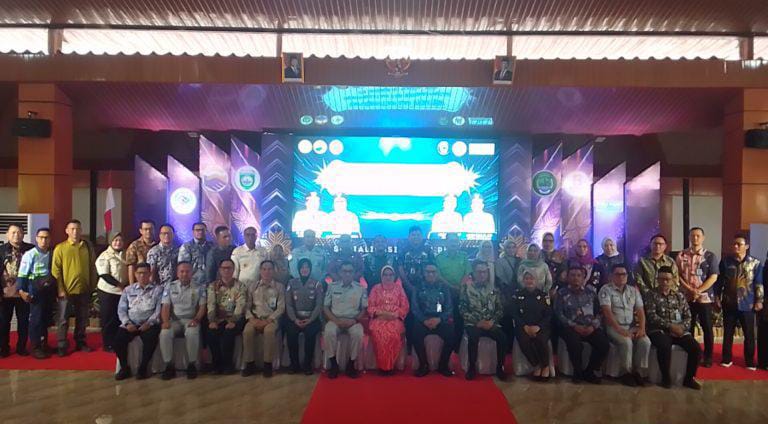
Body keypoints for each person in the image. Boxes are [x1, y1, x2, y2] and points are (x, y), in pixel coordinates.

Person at [645, 266, 702, 389]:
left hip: (679, 331)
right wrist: (671, 327)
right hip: (659, 330)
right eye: (662, 279)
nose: (665, 282)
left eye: (668, 279)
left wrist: (682, 328)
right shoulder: (651, 295)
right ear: (657, 280)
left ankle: (689, 379)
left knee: (696, 348)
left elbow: (688, 316)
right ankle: (666, 378)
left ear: (672, 280)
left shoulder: (679, 296)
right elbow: (652, 316)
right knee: (664, 346)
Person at [554, 266, 610, 384]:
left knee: (604, 344)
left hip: (589, 326)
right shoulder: (561, 293)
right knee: (575, 343)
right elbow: (559, 314)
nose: (576, 278)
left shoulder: (591, 292)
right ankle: (577, 372)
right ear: (567, 278)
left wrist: (593, 326)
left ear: (583, 278)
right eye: (572, 275)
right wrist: (574, 326)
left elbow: (599, 312)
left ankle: (589, 371)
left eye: (579, 275)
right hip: (570, 327)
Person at [599, 264, 650, 386]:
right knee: (626, 342)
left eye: (624, 274)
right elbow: (607, 313)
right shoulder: (606, 290)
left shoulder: (633, 291)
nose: (621, 277)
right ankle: (626, 373)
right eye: (618, 274)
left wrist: (642, 328)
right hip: (613, 327)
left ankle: (638, 372)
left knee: (645, 342)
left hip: (631, 326)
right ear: (611, 276)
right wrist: (620, 330)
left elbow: (640, 311)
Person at [717, 233, 763, 370]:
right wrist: (716, 297)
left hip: (747, 303)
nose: (736, 246)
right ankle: (726, 359)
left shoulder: (755, 263)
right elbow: (720, 281)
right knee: (728, 333)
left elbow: (758, 283)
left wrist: (759, 300)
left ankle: (749, 361)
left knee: (749, 334)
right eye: (734, 244)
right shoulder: (726, 262)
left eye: (739, 244)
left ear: (746, 246)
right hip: (729, 302)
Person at [52, 219, 96, 357]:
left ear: (81, 230)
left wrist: (92, 286)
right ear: (67, 231)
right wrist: (60, 289)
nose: (75, 232)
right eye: (72, 229)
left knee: (82, 318)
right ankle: (62, 344)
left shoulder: (87, 247)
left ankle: (80, 341)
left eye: (78, 229)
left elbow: (92, 267)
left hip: (84, 289)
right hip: (66, 291)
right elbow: (56, 270)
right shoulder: (60, 248)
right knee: (63, 319)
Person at [675, 227, 718, 368]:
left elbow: (713, 277)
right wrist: (690, 290)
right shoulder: (681, 255)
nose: (695, 238)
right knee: (688, 326)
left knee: (707, 327)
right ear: (689, 237)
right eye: (693, 235)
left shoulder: (710, 256)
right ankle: (691, 354)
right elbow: (677, 275)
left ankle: (708, 357)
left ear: (703, 238)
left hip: (704, 298)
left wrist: (698, 291)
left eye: (698, 236)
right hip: (686, 297)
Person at [113, 263, 163, 380]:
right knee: (117, 341)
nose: (142, 275)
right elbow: (121, 309)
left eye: (145, 273)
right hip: (130, 323)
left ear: (150, 274)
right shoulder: (128, 290)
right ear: (135, 274)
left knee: (151, 339)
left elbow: (158, 311)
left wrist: (149, 323)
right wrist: (127, 323)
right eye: (139, 273)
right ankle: (124, 368)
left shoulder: (158, 290)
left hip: (149, 324)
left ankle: (143, 368)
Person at [460, 260, 507, 381]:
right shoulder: (466, 288)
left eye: (484, 272)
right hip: (473, 323)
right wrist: (477, 322)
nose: (481, 275)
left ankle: (500, 367)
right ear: (474, 273)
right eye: (479, 272)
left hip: (490, 322)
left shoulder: (494, 289)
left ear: (487, 273)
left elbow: (500, 309)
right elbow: (462, 309)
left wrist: (492, 321)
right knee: (473, 337)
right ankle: (471, 367)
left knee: (502, 338)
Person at [159, 261, 206, 380]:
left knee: (192, 332)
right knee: (165, 333)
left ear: (192, 273)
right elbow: (165, 306)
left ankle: (192, 365)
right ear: (177, 273)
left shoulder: (199, 287)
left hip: (191, 319)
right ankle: (169, 365)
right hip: (174, 320)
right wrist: (165, 321)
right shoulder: (170, 286)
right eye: (182, 271)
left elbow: (202, 307)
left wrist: (196, 320)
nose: (185, 274)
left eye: (187, 271)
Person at [323, 261, 367, 379]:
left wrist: (354, 320)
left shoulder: (360, 288)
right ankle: (333, 364)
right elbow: (326, 307)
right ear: (339, 273)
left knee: (358, 334)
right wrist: (336, 321)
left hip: (353, 321)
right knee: (329, 332)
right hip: (335, 319)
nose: (347, 274)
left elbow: (364, 309)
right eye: (344, 271)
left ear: (354, 273)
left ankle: (351, 364)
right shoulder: (332, 286)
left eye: (350, 271)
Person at [242, 260, 285, 378]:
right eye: (264, 269)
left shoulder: (279, 287)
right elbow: (246, 306)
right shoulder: (253, 286)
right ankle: (249, 364)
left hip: (271, 319)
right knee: (247, 331)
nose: (267, 272)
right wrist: (251, 319)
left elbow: (281, 307)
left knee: (269, 332)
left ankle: (268, 364)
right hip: (255, 318)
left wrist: (269, 319)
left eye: (270, 269)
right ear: (260, 271)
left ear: (274, 271)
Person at [411, 262, 455, 377]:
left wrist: (439, 319)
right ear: (424, 273)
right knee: (415, 334)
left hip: (440, 319)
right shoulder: (418, 287)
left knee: (451, 335)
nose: (431, 274)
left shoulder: (444, 287)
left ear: (437, 273)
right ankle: (423, 365)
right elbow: (415, 308)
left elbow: (449, 308)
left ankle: (443, 365)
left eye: (433, 272)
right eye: (428, 272)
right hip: (423, 320)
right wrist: (424, 320)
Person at [17, 228, 54, 359]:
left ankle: (44, 344)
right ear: (37, 239)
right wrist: (22, 291)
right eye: (41, 237)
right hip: (35, 290)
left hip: (48, 290)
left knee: (45, 319)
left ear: (50, 239)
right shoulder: (30, 254)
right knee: (36, 320)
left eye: (46, 238)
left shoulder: (52, 253)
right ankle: (35, 347)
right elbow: (22, 274)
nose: (44, 240)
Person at [206, 259, 246, 374]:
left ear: (233, 270)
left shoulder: (240, 286)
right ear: (220, 270)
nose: (226, 270)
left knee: (228, 333)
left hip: (235, 318)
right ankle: (216, 365)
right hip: (218, 319)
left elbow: (240, 305)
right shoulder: (213, 286)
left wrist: (233, 320)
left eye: (229, 268)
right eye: (224, 268)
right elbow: (211, 304)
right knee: (211, 333)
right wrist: (212, 320)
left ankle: (228, 365)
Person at [284, 258, 324, 375]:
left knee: (310, 334)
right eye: (302, 267)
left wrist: (310, 320)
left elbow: (319, 305)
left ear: (310, 269)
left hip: (311, 318)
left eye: (307, 267)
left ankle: (307, 365)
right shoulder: (291, 283)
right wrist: (294, 319)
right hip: (295, 318)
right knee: (291, 333)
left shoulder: (317, 284)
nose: (304, 269)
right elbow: (289, 304)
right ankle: (294, 365)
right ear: (298, 269)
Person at [368, 265, 409, 375]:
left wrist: (395, 314)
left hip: (395, 319)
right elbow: (370, 306)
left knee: (393, 335)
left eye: (390, 275)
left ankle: (390, 365)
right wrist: (381, 313)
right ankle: (382, 366)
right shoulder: (375, 289)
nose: (388, 277)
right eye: (385, 275)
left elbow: (405, 306)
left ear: (394, 276)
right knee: (379, 334)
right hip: (379, 319)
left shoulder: (399, 289)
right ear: (381, 276)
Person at [0, 223, 34, 356]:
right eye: (13, 232)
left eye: (19, 232)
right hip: (5, 294)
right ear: (7, 235)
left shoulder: (31, 250)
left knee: (23, 322)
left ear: (23, 234)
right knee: (3, 322)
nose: (16, 235)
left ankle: (21, 347)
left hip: (23, 293)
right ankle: (4, 348)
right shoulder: (1, 250)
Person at [512, 271, 553, 381]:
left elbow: (548, 315)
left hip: (541, 327)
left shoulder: (544, 296)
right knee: (523, 340)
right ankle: (537, 364)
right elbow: (514, 314)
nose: (529, 281)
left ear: (536, 281)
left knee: (541, 340)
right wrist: (524, 326)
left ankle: (545, 366)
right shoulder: (517, 295)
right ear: (523, 280)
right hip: (523, 327)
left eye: (532, 278)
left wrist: (539, 327)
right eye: (527, 278)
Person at [436, 233, 472, 344]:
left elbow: (467, 273)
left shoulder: (464, 256)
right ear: (446, 243)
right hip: (443, 294)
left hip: (461, 292)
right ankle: (444, 344)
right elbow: (438, 276)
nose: (454, 243)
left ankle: (457, 346)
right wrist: (451, 287)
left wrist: (459, 287)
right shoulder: (439, 258)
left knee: (459, 319)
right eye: (451, 241)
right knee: (443, 317)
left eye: (456, 241)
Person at [95, 233, 128, 353]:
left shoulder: (126, 253)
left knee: (119, 318)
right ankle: (107, 344)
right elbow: (104, 275)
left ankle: (117, 342)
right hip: (108, 292)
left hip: (122, 292)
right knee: (108, 318)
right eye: (115, 240)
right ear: (111, 242)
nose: (118, 243)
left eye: (120, 240)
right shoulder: (104, 255)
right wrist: (119, 285)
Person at [634, 234, 679, 298]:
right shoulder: (642, 261)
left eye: (660, 244)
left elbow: (675, 279)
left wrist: (668, 293)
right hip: (647, 296)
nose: (657, 246)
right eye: (655, 244)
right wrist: (648, 293)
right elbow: (638, 279)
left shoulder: (670, 262)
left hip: (667, 297)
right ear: (650, 245)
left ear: (665, 246)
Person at [177, 222, 214, 287]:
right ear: (193, 232)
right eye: (197, 230)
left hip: (210, 282)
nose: (200, 232)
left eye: (202, 230)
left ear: (206, 231)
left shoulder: (212, 246)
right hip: (192, 283)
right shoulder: (186, 247)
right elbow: (183, 267)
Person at [126, 220, 156, 284]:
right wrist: (132, 286)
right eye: (145, 229)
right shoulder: (134, 245)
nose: (148, 231)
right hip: (139, 283)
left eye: (151, 229)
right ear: (141, 231)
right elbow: (131, 267)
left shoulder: (158, 244)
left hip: (155, 283)